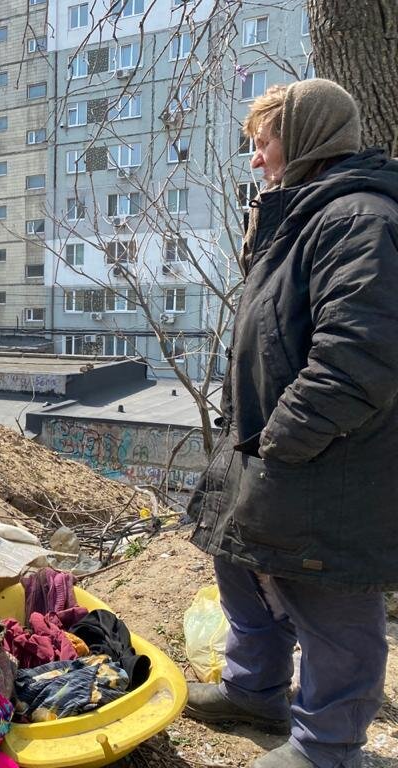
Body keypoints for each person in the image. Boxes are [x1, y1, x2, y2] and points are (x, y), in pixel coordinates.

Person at [184, 78, 398, 768]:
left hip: (328, 458)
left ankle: (327, 747)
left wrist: (281, 442)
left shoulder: (359, 218)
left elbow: (360, 356)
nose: (255, 159)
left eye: (264, 142)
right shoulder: (305, 215)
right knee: (241, 564)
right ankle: (255, 692)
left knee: (328, 595)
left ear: (304, 140)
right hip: (271, 444)